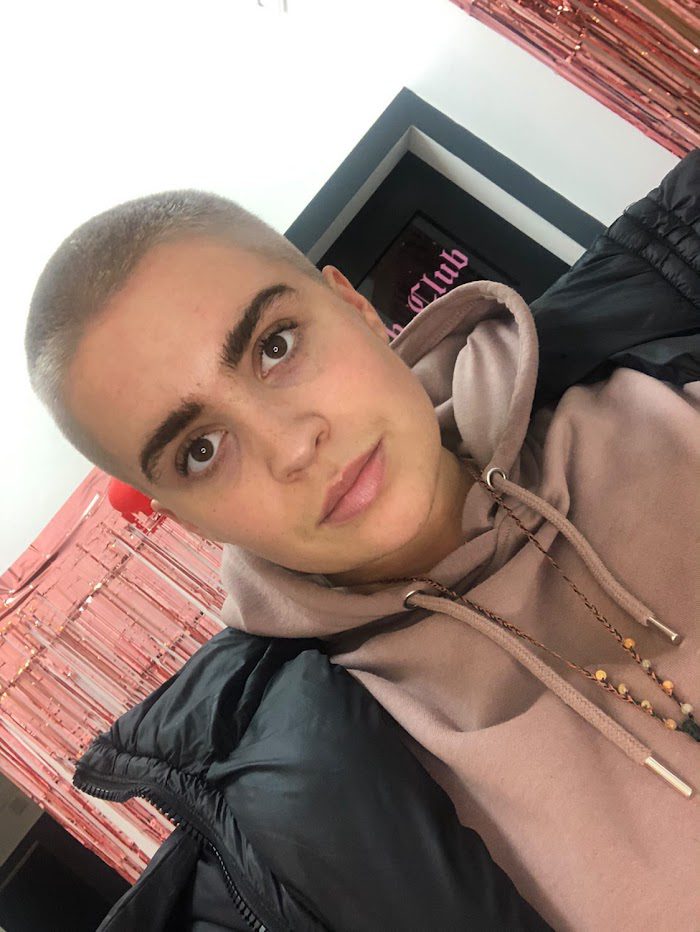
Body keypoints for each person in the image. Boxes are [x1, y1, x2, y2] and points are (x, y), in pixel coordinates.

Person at [25, 149, 699, 930]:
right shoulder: (301, 832)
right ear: (188, 520)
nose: (293, 445)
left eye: (275, 346)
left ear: (354, 308)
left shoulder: (664, 373)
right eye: (199, 450)